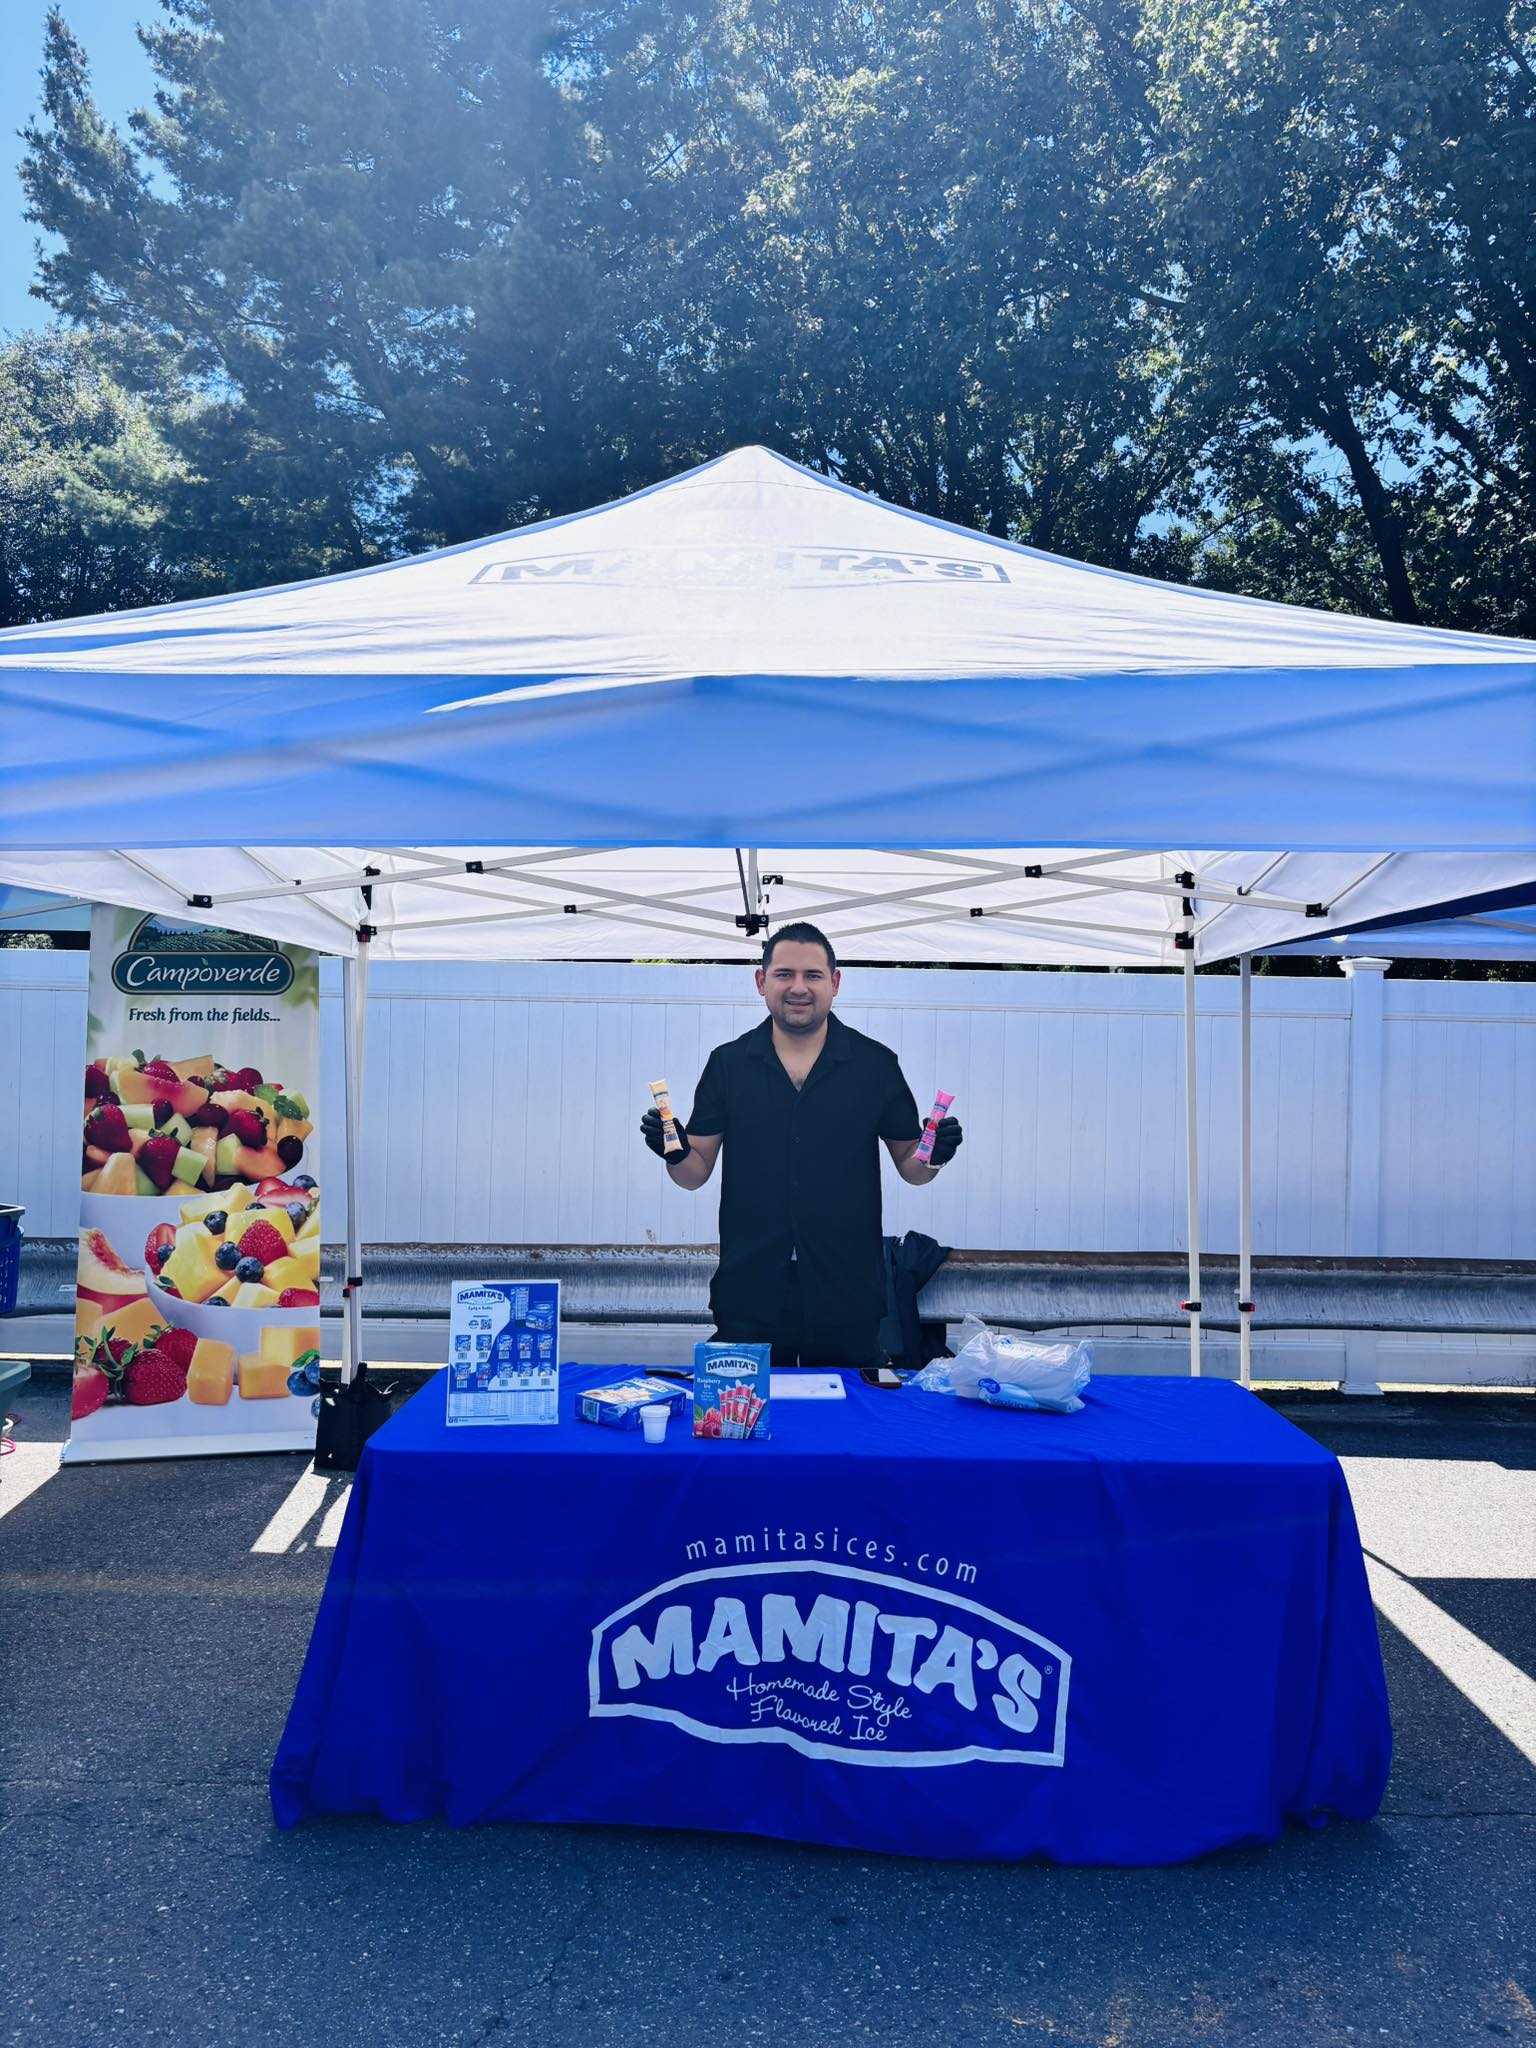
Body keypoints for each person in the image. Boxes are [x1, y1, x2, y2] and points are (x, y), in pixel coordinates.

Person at [639, 922, 962, 1368]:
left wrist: (935, 1155)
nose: (798, 987)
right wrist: (673, 1152)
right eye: (784, 974)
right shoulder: (728, 1065)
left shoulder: (875, 1065)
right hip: (749, 1291)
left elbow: (912, 1167)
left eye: (812, 975)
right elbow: (693, 1173)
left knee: (845, 1412)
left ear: (835, 983)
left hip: (847, 1294)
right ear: (761, 981)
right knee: (743, 1411)